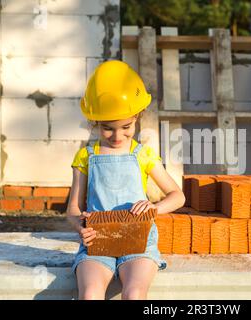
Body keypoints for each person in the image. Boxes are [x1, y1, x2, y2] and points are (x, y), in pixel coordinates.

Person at [67, 60, 186, 300]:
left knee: (133, 294)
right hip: (98, 244)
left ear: (138, 117)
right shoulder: (86, 157)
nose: (118, 135)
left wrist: (155, 208)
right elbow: (73, 209)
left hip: (138, 243)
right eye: (108, 128)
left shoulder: (142, 155)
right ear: (95, 122)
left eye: (126, 126)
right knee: (90, 293)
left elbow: (178, 196)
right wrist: (80, 227)